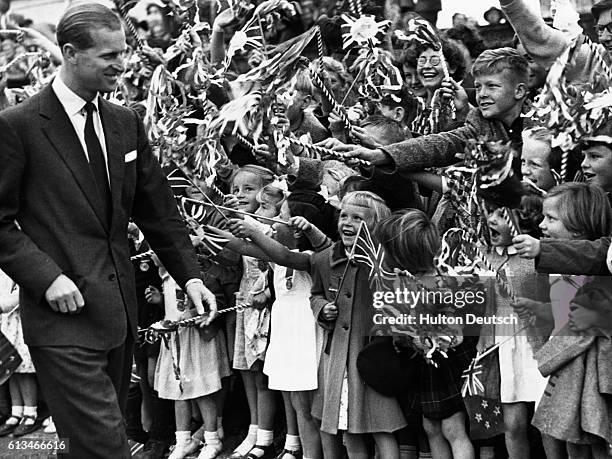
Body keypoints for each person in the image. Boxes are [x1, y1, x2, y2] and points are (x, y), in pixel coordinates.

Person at [0, 4, 217, 458]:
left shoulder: (124, 122)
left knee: (88, 445)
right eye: (108, 56)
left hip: (119, 318)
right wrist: (46, 277)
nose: (121, 64)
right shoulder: (17, 126)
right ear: (70, 53)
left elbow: (158, 209)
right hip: (61, 320)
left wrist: (190, 277)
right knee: (107, 446)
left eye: (122, 53)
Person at [338, 48, 529, 173]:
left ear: (519, 91)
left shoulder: (542, 122)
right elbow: (438, 144)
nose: (482, 94)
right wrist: (380, 155)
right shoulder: (480, 121)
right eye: (478, 87)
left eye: (492, 86)